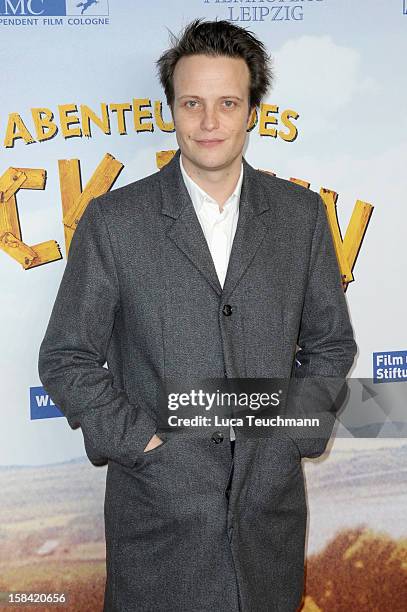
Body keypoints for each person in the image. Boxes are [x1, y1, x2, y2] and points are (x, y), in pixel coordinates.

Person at [38, 18, 357, 612]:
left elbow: (331, 344)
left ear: (252, 112)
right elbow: (67, 357)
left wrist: (292, 438)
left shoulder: (301, 217)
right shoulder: (114, 222)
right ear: (172, 111)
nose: (209, 122)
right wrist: (143, 443)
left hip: (269, 526)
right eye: (193, 103)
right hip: (157, 529)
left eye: (227, 103)